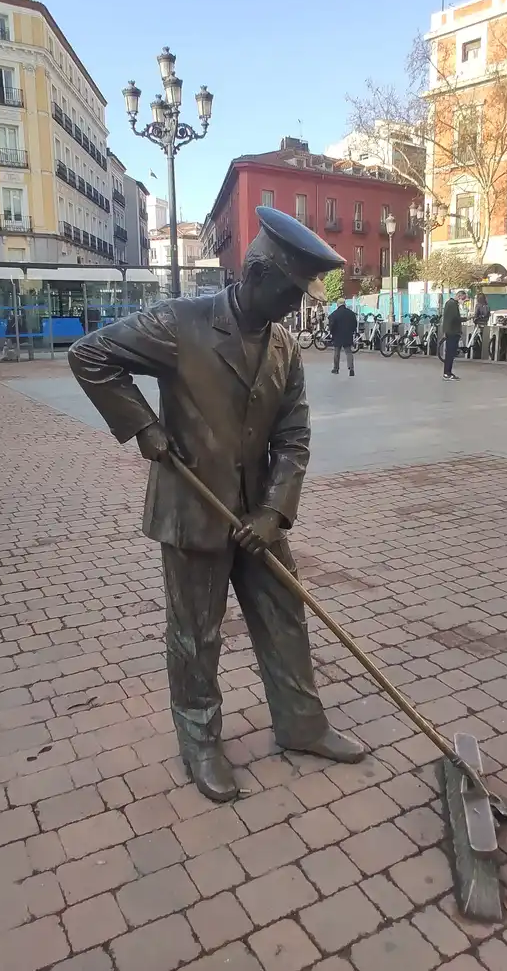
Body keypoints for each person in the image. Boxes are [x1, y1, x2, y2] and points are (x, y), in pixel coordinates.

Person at [69, 206, 368, 803]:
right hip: (193, 509)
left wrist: (274, 512)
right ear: (255, 274)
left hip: (258, 518)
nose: (293, 306)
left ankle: (302, 726)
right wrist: (145, 428)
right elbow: (90, 355)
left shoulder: (285, 347)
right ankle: (201, 743)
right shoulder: (181, 324)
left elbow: (293, 435)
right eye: (288, 292)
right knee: (196, 635)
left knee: (285, 618)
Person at [328, 300, 357, 376]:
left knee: (337, 352)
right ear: (345, 304)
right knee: (348, 352)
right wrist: (352, 331)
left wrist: (331, 333)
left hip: (337, 335)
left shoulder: (334, 314)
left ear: (338, 305)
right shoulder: (351, 313)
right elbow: (355, 324)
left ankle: (336, 368)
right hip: (348, 335)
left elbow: (331, 325)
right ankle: (351, 368)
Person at [441, 290, 463, 380]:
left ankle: (447, 372)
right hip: (452, 332)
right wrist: (466, 319)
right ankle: (447, 373)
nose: (463, 301)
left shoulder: (449, 303)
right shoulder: (453, 304)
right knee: (450, 353)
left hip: (449, 331)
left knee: (450, 353)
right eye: (463, 299)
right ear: (459, 296)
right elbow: (455, 318)